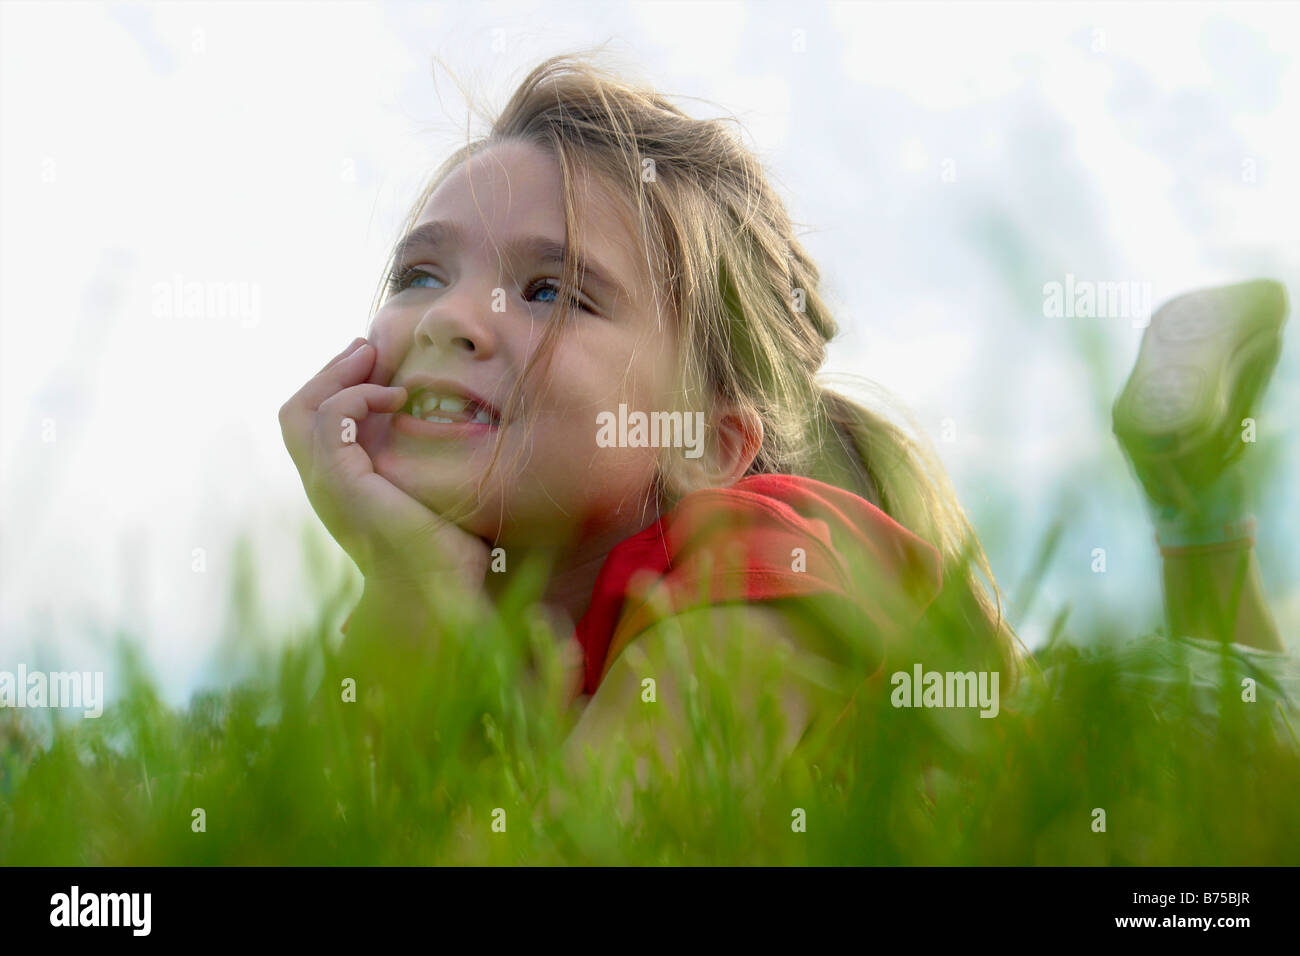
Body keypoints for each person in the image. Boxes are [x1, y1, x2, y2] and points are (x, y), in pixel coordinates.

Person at [279, 54, 1289, 783]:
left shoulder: (765, 565)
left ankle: (1197, 491)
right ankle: (1191, 482)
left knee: (1232, 720)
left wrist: (417, 595)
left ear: (709, 445)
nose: (451, 316)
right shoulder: (436, 598)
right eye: (421, 271)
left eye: (553, 291)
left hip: (1206, 745)